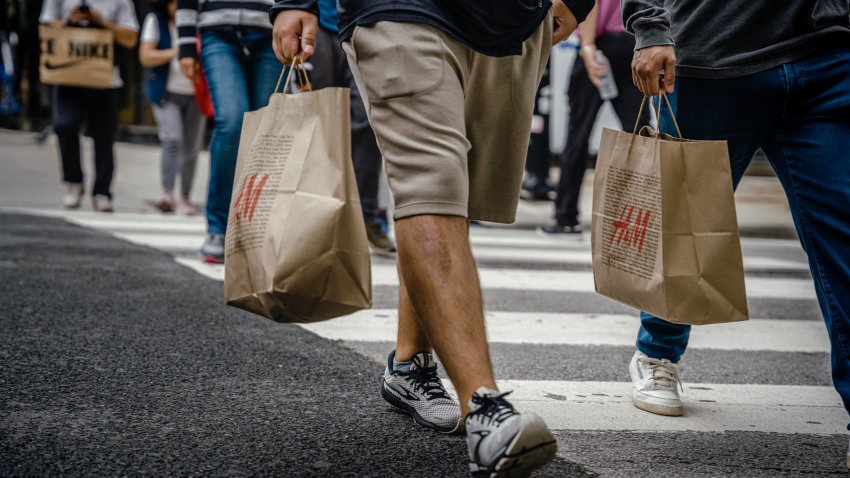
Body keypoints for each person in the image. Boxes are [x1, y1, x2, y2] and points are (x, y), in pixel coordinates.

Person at [270, 0, 594, 475]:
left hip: (511, 26)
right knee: (432, 187)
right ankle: (485, 410)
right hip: (400, 12)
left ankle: (408, 364)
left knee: (455, 202)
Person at [622, 0, 850, 463]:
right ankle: (657, 353)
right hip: (711, 61)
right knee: (688, 224)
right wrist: (649, 26)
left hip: (825, 57)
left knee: (844, 240)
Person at [176, 0, 282, 263]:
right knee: (232, 121)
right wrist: (186, 44)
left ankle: (253, 229)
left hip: (272, 30)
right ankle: (217, 228)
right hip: (217, 31)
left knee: (263, 130)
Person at [539, 0, 648, 236]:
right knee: (641, 139)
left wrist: (587, 47)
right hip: (634, 45)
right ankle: (642, 220)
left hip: (599, 45)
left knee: (578, 135)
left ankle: (565, 217)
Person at [307, 0, 396, 253]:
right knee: (320, 121)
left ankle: (366, 216)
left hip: (366, 21)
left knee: (369, 120)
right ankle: (317, 215)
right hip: (318, 20)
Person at [39, 0, 139, 212]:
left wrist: (100, 22)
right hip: (66, 75)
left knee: (105, 136)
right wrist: (69, 20)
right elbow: (45, 28)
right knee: (64, 125)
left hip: (105, 78)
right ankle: (73, 181)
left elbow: (130, 38)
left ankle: (102, 191)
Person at [139, 0, 206, 216]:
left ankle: (185, 197)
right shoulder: (156, 21)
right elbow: (146, 56)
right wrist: (178, 52)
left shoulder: (202, 20)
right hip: (166, 93)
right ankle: (167, 193)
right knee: (172, 139)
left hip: (197, 93)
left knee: (192, 148)